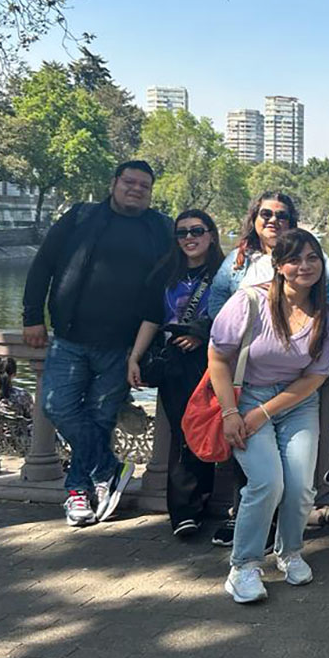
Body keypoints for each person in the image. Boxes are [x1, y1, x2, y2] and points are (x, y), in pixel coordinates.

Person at [22, 160, 173, 527]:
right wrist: (32, 317)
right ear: (114, 183)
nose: (136, 189)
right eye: (130, 182)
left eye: (144, 186)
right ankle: (108, 468)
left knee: (101, 418)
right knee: (57, 406)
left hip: (122, 346)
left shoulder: (160, 228)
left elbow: (176, 279)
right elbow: (43, 265)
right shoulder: (80, 217)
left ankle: (78, 492)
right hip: (71, 338)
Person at [208, 229, 329, 604]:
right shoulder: (248, 302)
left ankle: (290, 551)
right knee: (267, 482)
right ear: (279, 266)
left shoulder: (327, 319)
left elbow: (315, 377)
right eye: (294, 259)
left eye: (312, 258)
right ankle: (244, 566)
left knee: (301, 486)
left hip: (296, 402)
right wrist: (232, 412)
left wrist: (267, 411)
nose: (304, 266)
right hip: (247, 396)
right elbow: (218, 357)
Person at [127, 209, 224, 538]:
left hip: (213, 360)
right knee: (184, 435)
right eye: (182, 233)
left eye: (197, 231)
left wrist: (202, 332)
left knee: (214, 430)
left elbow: (236, 317)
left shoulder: (225, 272)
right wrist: (135, 358)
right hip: (175, 363)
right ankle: (184, 511)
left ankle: (209, 498)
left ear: (211, 234)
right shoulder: (166, 273)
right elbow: (151, 318)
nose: (189, 238)